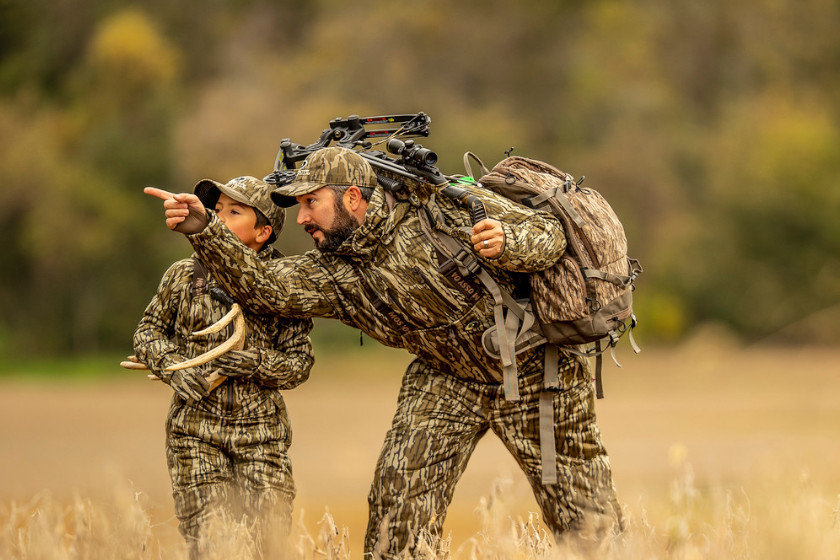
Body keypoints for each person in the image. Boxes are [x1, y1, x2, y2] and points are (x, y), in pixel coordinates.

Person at [145, 147, 622, 558]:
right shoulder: (334, 271)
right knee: (399, 501)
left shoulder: (440, 210)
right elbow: (266, 288)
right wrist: (205, 230)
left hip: (538, 370)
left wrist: (507, 242)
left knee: (584, 513)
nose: (302, 218)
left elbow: (551, 234)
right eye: (298, 207)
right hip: (446, 378)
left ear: (352, 196)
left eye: (311, 202)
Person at [134, 176, 314, 555]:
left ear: (264, 231)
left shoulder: (286, 282)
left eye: (235, 212)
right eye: (217, 212)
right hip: (194, 434)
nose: (220, 219)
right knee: (212, 542)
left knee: (269, 542)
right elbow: (147, 333)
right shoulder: (183, 276)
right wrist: (175, 369)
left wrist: (253, 362)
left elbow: (298, 365)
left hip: (262, 437)